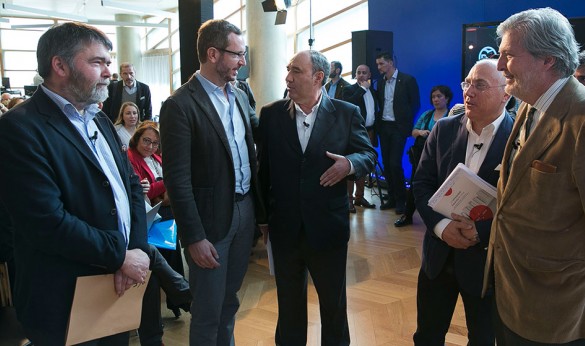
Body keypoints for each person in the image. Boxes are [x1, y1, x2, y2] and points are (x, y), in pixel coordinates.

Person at [486, 8, 585, 345]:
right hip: (512, 291)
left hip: (559, 306)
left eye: (508, 55)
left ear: (547, 60)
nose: (499, 66)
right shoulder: (530, 101)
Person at [0, 22, 150, 345]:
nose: (108, 71)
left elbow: (131, 186)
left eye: (108, 62)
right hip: (62, 301)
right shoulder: (19, 129)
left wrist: (136, 247)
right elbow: (46, 222)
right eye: (97, 62)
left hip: (115, 288)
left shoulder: (98, 119)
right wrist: (121, 256)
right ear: (60, 66)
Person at [257, 50, 377, 346]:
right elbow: (263, 172)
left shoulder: (346, 113)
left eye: (296, 71)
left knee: (333, 307)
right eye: (288, 70)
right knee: (288, 307)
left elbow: (368, 155)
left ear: (318, 78)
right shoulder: (271, 114)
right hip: (284, 229)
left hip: (328, 228)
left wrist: (348, 164)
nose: (288, 78)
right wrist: (262, 220)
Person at [159, 19, 261, 345]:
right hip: (209, 225)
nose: (243, 62)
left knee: (229, 303)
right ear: (213, 53)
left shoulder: (242, 94)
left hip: (244, 213)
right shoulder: (179, 105)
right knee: (207, 311)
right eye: (238, 55)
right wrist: (194, 236)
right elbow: (177, 179)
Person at [412, 59, 512, 345]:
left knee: (483, 338)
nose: (469, 92)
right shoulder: (443, 129)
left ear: (506, 94)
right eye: (467, 83)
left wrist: (479, 232)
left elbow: (522, 208)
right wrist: (442, 227)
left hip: (486, 264)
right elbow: (420, 185)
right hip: (437, 257)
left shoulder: (519, 139)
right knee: (427, 336)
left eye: (480, 85)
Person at [395, 85, 452, 227]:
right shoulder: (426, 115)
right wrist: (421, 132)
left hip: (443, 159)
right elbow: (413, 131)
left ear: (447, 98)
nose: (436, 99)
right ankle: (407, 215)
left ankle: (439, 219)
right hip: (421, 158)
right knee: (416, 185)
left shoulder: (452, 115)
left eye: (439, 96)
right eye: (433, 97)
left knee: (442, 187)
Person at [375, 51, 420, 215]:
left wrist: (406, 126)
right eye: (378, 64)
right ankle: (392, 197)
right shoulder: (379, 83)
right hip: (384, 127)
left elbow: (415, 104)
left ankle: (402, 200)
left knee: (395, 163)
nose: (378, 67)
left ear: (391, 63)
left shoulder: (407, 80)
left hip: (398, 128)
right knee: (386, 164)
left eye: (381, 64)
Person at [342, 64, 378, 212]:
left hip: (369, 132)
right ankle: (348, 200)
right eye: (359, 73)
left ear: (369, 75)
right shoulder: (348, 90)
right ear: (355, 75)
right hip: (353, 134)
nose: (362, 75)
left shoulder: (374, 92)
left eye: (364, 73)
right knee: (352, 164)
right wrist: (362, 89)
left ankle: (360, 197)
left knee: (364, 165)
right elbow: (350, 104)